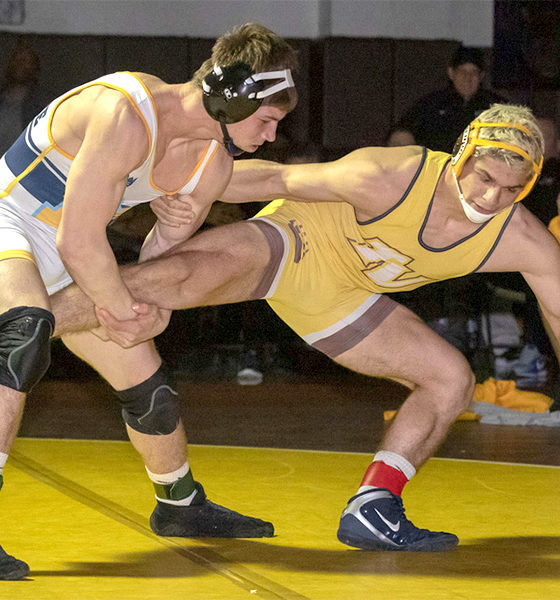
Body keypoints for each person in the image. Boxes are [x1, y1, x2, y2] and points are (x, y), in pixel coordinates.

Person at [50, 103, 552, 553]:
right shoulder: (391, 177)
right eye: (484, 178)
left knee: (450, 379)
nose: (491, 197)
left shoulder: (520, 237)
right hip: (295, 243)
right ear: (461, 157)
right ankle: (24, 322)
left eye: (512, 189)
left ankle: (374, 506)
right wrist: (170, 184)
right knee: (164, 280)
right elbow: (276, 179)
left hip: (341, 297)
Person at [0, 23, 298, 579]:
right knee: (24, 332)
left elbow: (153, 262)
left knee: (150, 390)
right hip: (12, 219)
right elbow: (78, 241)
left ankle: (180, 504)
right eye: (267, 119)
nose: (272, 135)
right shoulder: (126, 111)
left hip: (77, 253)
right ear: (232, 96)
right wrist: (124, 307)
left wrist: (161, 269)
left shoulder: (212, 165)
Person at [388, 45, 505, 152]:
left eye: (474, 72)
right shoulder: (432, 103)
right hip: (436, 163)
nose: (467, 78)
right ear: (451, 73)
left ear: (481, 76)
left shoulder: (495, 106)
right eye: (462, 71)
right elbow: (402, 131)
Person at [0, 40, 43, 156]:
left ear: (35, 67)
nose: (20, 65)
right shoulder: (2, 101)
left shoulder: (42, 106)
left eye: (25, 61)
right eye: (17, 60)